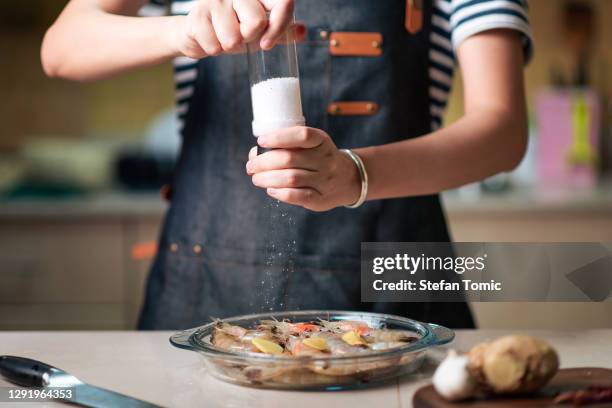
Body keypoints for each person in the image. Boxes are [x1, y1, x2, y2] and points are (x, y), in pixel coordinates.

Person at [42, 0, 532, 330]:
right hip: (202, 290)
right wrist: (181, 30)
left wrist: (355, 174)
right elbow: (62, 48)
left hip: (394, 294)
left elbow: (503, 130)